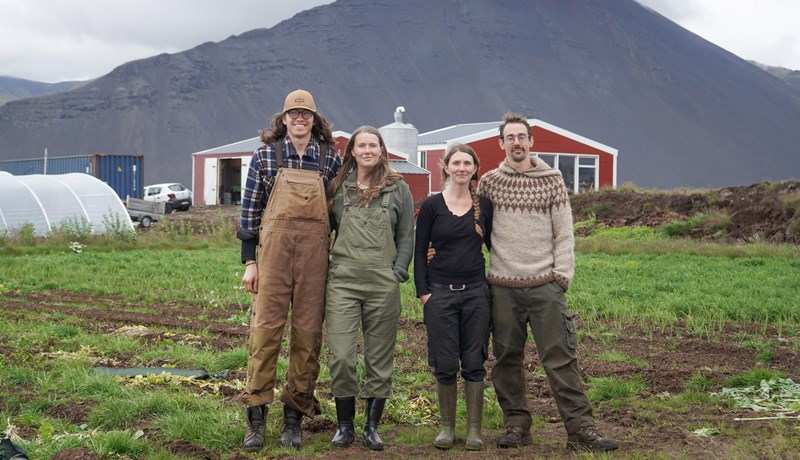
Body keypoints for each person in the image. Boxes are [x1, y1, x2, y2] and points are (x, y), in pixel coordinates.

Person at [477, 112, 618, 452]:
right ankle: (516, 425)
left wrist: (561, 277)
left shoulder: (552, 180)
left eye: (521, 137)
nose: (516, 143)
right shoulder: (490, 183)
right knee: (506, 359)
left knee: (560, 359)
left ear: (531, 141)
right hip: (503, 286)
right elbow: (479, 230)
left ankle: (581, 430)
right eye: (509, 138)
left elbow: (563, 232)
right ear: (501, 144)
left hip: (545, 286)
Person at [237, 89, 342, 451]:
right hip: (273, 258)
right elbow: (249, 213)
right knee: (265, 333)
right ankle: (256, 417)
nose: (300, 119)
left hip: (315, 259)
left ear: (315, 120)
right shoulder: (265, 155)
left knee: (308, 337)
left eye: (306, 114)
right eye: (293, 114)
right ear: (283, 119)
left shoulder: (329, 158)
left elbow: (340, 214)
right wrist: (250, 262)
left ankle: (293, 418)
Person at [324, 126, 414, 451]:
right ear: (352, 151)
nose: (367, 150)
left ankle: (371, 427)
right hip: (343, 284)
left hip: (382, 284)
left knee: (379, 358)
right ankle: (344, 426)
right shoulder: (337, 187)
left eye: (372, 145)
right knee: (343, 358)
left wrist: (398, 272)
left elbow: (406, 235)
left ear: (381, 149)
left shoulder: (398, 188)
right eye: (361, 145)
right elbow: (325, 231)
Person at [414, 144, 492, 451]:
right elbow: (420, 252)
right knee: (445, 362)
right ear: (446, 167)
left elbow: (495, 247)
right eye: (456, 163)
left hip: (476, 293)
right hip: (440, 294)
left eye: (467, 163)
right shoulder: (432, 205)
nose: (461, 168)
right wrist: (424, 294)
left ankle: (474, 430)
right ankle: (447, 428)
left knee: (474, 361)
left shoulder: (484, 206)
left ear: (475, 168)